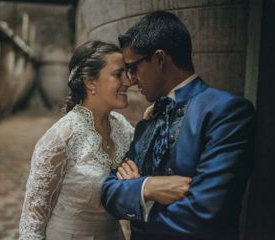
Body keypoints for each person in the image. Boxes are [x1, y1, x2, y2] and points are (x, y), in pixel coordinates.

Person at [101, 11, 255, 240]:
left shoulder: (227, 112)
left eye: (133, 67)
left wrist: (139, 201)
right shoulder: (146, 123)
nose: (131, 80)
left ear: (160, 59)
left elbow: (203, 213)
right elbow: (109, 191)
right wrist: (147, 188)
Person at [19, 40, 135, 239]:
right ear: (90, 82)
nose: (128, 81)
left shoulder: (123, 128)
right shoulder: (60, 138)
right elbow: (32, 220)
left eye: (127, 72)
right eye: (118, 74)